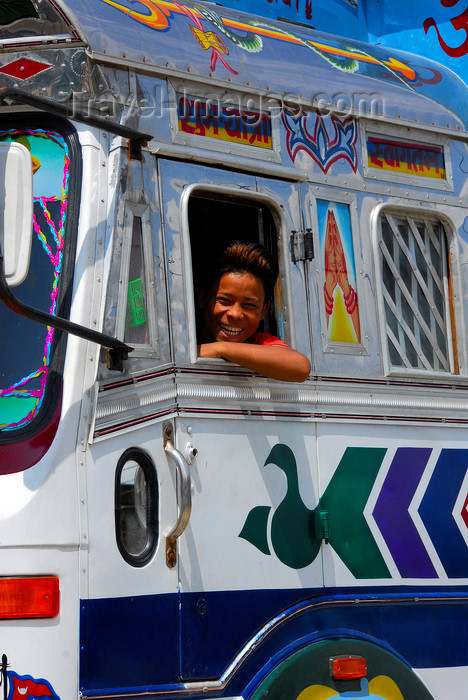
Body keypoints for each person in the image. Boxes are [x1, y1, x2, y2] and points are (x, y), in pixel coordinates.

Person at [197, 241, 310, 382]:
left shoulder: (258, 342)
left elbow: (301, 367)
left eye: (249, 305)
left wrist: (219, 349)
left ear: (263, 311)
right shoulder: (186, 340)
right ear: (202, 297)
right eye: (225, 301)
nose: (235, 313)